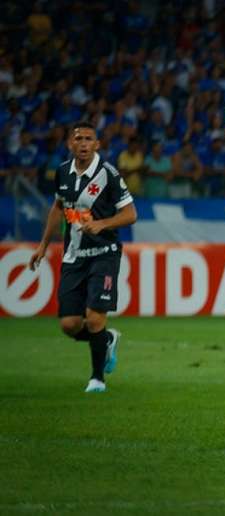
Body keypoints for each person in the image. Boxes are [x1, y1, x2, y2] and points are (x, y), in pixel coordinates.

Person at [28, 122, 137, 393]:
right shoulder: (63, 172)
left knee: (95, 317)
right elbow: (57, 207)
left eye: (89, 138)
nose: (84, 143)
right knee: (69, 324)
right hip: (74, 255)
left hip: (104, 254)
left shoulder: (108, 174)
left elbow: (130, 214)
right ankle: (107, 340)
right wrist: (43, 244)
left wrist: (103, 224)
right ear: (70, 144)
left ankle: (97, 379)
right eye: (79, 138)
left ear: (97, 144)